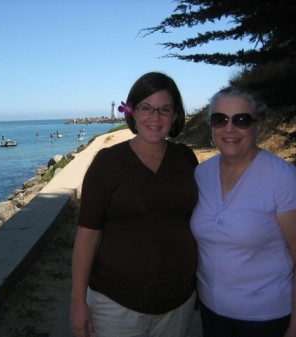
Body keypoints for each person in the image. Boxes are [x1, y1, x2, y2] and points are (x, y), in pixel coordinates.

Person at [70, 71, 199, 337]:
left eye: (165, 109)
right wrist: (77, 301)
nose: (155, 117)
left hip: (178, 301)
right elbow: (87, 235)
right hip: (115, 303)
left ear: (176, 114)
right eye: (146, 108)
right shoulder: (107, 163)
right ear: (132, 112)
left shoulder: (186, 158)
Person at [190, 87, 296, 337]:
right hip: (211, 313)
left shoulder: (282, 178)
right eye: (220, 119)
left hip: (265, 318)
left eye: (241, 120)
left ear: (258, 126)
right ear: (211, 126)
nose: (229, 129)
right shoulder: (201, 174)